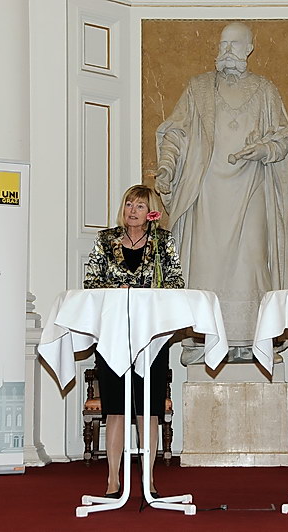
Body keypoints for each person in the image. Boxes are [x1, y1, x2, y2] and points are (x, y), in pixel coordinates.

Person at [155, 21, 288, 362]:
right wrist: (167, 168)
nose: (228, 50)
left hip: (251, 191)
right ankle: (205, 341)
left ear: (249, 48)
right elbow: (176, 133)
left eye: (235, 44)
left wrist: (263, 150)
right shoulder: (199, 88)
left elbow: (282, 138)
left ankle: (250, 342)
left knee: (252, 262)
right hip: (207, 193)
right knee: (206, 267)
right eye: (223, 43)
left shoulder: (265, 90)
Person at [84, 184, 184, 498]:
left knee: (148, 410)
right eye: (129, 204)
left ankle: (148, 479)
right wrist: (118, 291)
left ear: (151, 211)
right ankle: (113, 479)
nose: (132, 210)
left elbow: (176, 282)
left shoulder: (163, 241)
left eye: (140, 206)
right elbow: (91, 282)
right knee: (115, 409)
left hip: (151, 337)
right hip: (113, 335)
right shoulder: (106, 239)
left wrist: (143, 293)